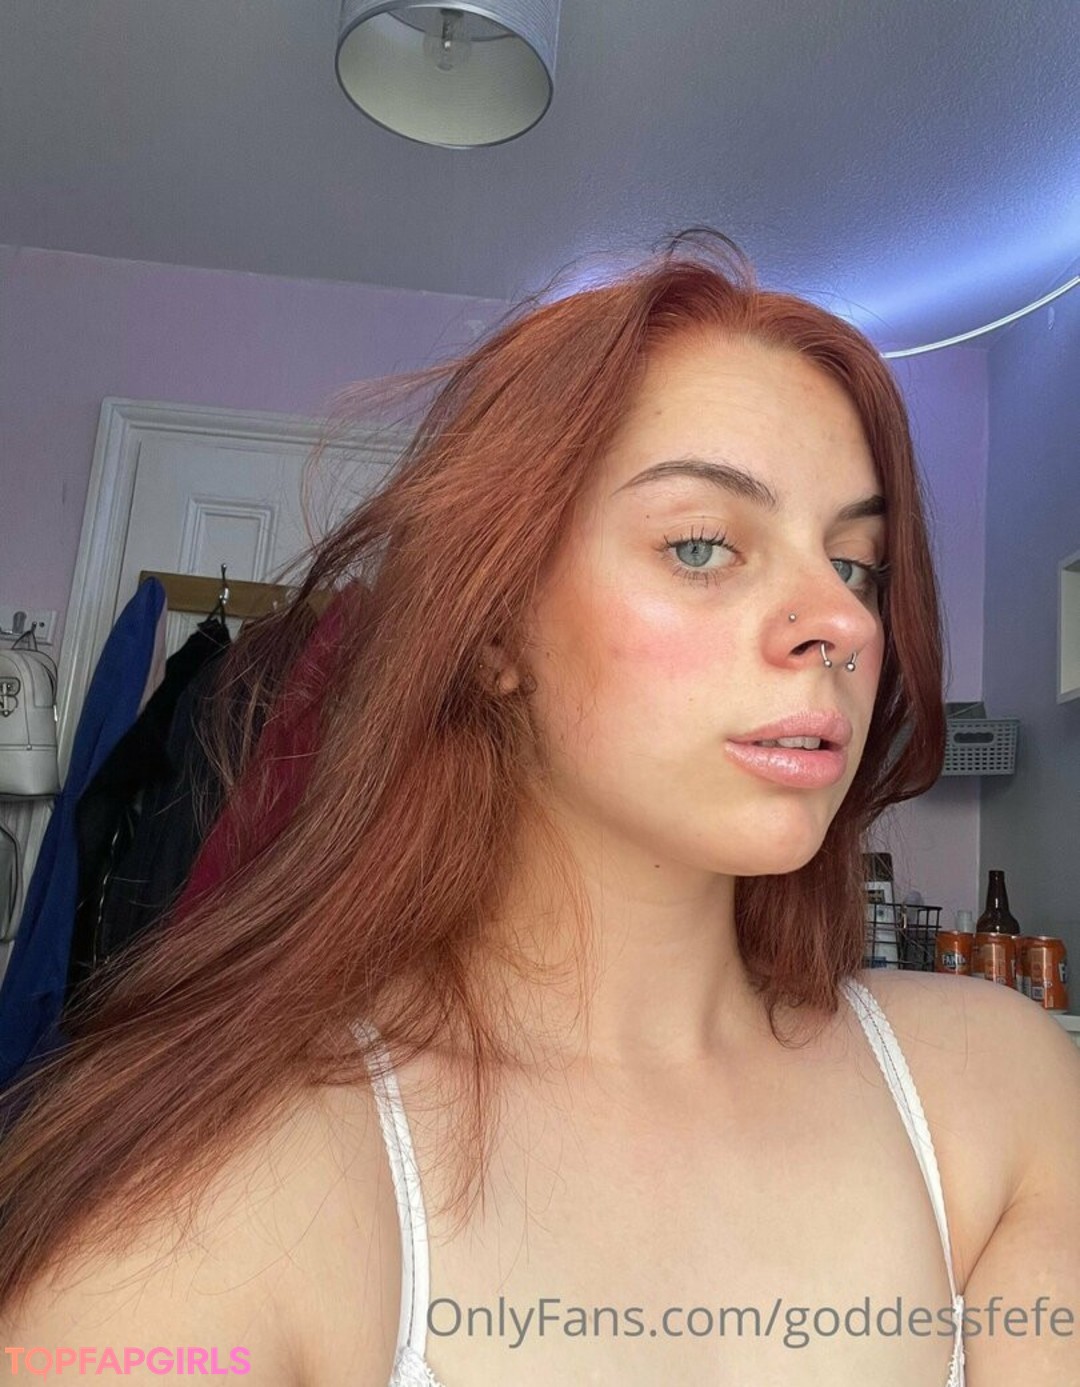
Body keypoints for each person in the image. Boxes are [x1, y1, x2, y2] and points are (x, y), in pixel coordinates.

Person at [0, 230, 1077, 1386]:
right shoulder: (218, 1203)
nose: (844, 621)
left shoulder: (998, 1091)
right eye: (703, 545)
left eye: (855, 562)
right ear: (496, 632)